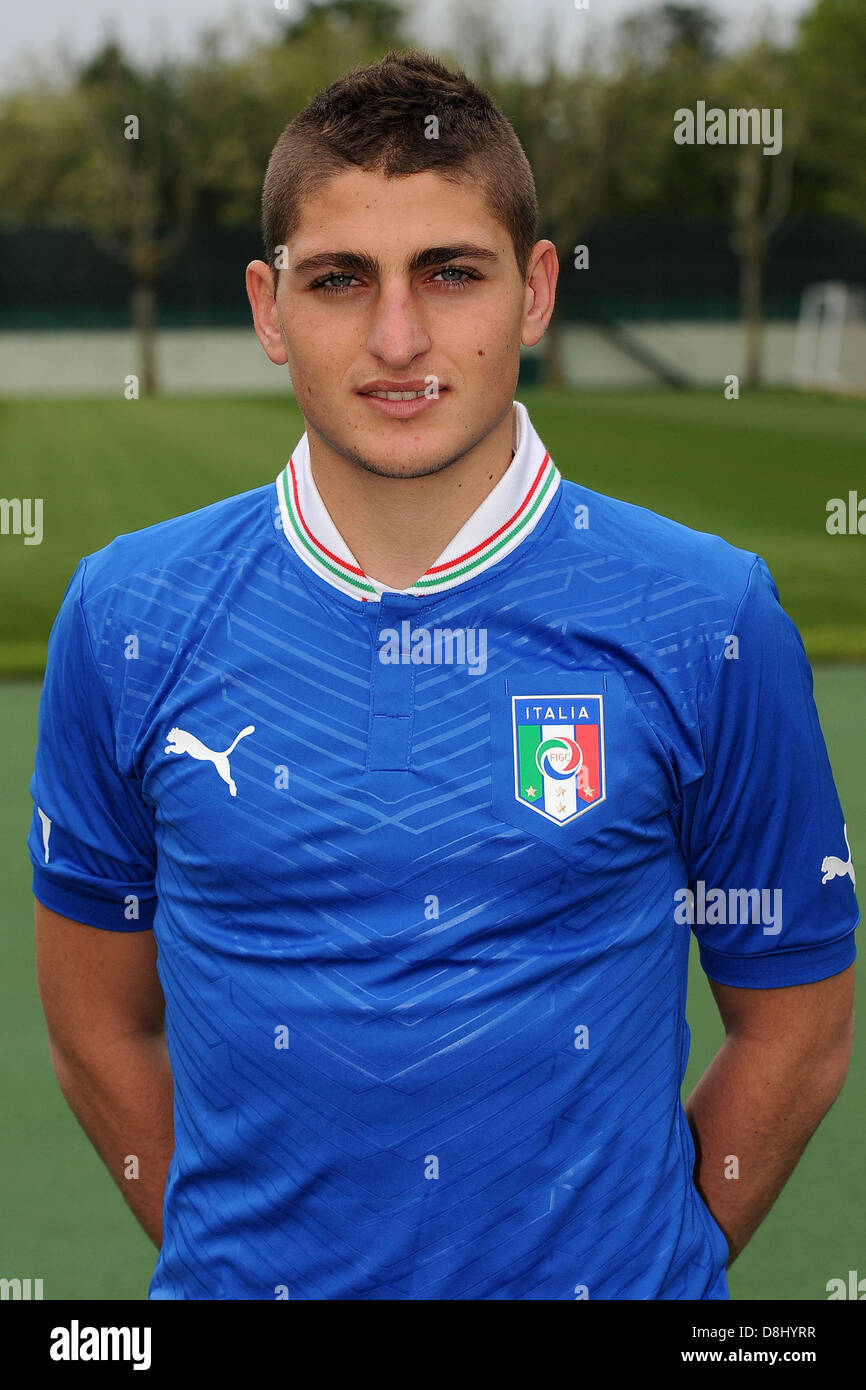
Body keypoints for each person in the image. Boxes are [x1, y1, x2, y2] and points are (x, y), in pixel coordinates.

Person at [29, 49, 857, 1301]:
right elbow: (97, 1027)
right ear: (267, 307)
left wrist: (653, 1261)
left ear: (532, 290)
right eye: (340, 280)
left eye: (449, 273)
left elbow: (794, 1017)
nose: (397, 337)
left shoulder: (705, 612)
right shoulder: (126, 614)